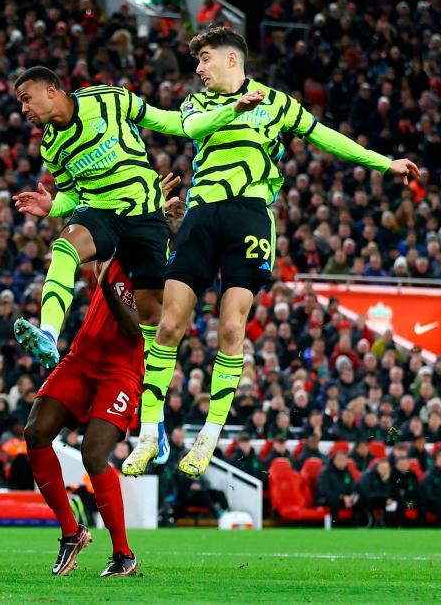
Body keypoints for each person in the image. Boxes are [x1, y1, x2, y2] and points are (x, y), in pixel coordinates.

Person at [125, 25, 418, 477]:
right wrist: (233, 110)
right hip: (202, 215)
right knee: (168, 323)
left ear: (231, 59)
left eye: (205, 59)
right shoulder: (199, 104)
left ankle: (208, 437)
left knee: (231, 324)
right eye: (197, 61)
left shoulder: (277, 103)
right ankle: (148, 436)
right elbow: (190, 127)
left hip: (250, 216)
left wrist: (383, 162)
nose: (199, 68)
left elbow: (325, 136)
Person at [10, 66, 256, 368]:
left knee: (153, 316)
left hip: (145, 213)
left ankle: (152, 399)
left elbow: (167, 121)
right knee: (65, 247)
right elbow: (73, 194)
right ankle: (48, 333)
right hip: (101, 211)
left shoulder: (107, 99)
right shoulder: (51, 146)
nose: (23, 109)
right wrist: (53, 207)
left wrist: (230, 111)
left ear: (51, 91)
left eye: (26, 98)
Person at [21, 174, 183, 578]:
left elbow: (136, 328)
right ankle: (71, 532)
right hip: (82, 357)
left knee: (94, 454)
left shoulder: (165, 274)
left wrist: (106, 285)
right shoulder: (124, 239)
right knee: (36, 432)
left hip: (122, 369)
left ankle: (124, 554)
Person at [315, 450, 357, 526]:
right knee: (334, 501)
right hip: (325, 499)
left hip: (344, 499)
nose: (341, 462)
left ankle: (357, 526)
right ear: (334, 460)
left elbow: (352, 487)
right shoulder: (325, 472)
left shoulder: (347, 472)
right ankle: (334, 525)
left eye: (344, 460)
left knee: (358, 501)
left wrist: (351, 497)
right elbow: (324, 491)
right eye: (339, 460)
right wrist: (341, 497)